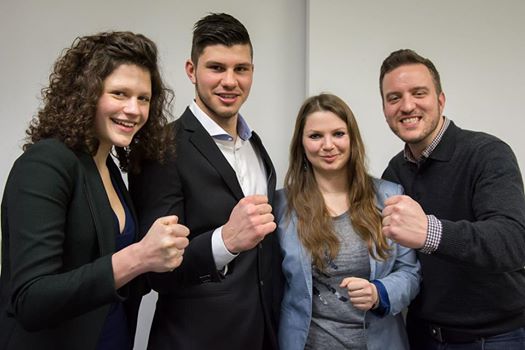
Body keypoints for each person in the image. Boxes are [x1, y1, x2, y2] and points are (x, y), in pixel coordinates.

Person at [0, 31, 190, 350]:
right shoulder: (46, 163)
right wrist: (139, 256)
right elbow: (31, 300)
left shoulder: (109, 168)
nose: (134, 110)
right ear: (86, 94)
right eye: (119, 93)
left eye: (143, 98)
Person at [129, 13, 281, 350]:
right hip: (194, 340)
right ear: (191, 70)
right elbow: (157, 273)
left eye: (241, 69)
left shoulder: (256, 145)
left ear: (252, 72)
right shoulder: (161, 147)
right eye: (216, 68)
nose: (230, 81)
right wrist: (225, 240)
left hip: (260, 336)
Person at [379, 49, 525, 349]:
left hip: (494, 338)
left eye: (418, 93)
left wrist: (430, 232)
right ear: (384, 108)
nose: (407, 106)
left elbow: (512, 241)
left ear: (440, 100)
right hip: (423, 336)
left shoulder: (487, 153)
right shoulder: (393, 172)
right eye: (394, 98)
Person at [276, 93, 420, 350]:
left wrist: (379, 293)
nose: (328, 145)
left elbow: (410, 273)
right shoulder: (280, 206)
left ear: (352, 139)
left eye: (338, 134)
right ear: (301, 144)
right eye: (315, 136)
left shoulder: (389, 196)